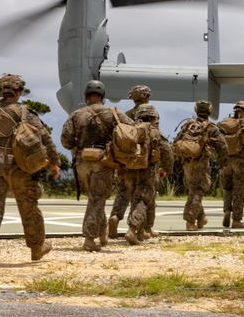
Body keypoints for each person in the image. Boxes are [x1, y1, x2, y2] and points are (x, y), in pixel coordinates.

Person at [0, 74, 60, 266]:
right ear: (18, 92)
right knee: (28, 206)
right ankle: (37, 248)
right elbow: (45, 139)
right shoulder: (25, 113)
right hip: (20, 166)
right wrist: (53, 163)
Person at [60, 80, 135, 251]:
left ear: (86, 96)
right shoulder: (113, 113)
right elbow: (132, 130)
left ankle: (102, 234)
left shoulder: (76, 114)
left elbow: (65, 139)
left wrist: (76, 147)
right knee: (97, 200)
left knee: (95, 199)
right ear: (103, 96)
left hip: (82, 162)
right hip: (104, 161)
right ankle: (89, 239)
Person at [121, 104, 173, 244]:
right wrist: (165, 168)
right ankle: (132, 230)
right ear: (153, 117)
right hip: (148, 170)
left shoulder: (130, 130)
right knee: (143, 201)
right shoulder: (155, 132)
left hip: (130, 170)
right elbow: (167, 153)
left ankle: (140, 233)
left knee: (134, 200)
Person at [173, 100, 228, 231]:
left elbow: (176, 141)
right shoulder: (211, 127)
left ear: (196, 110)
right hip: (201, 163)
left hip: (186, 162)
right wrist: (223, 163)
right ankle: (190, 221)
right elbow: (222, 146)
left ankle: (202, 217)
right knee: (198, 191)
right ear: (209, 111)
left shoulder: (188, 125)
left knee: (193, 190)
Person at [108, 85, 153, 239]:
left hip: (124, 162)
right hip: (144, 163)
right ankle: (143, 229)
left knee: (122, 193)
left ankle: (115, 217)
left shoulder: (125, 116)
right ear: (146, 96)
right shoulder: (150, 114)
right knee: (144, 195)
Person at [217, 100, 244, 229]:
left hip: (225, 161)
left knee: (227, 188)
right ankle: (236, 220)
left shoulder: (223, 124)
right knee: (239, 191)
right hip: (240, 162)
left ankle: (227, 210)